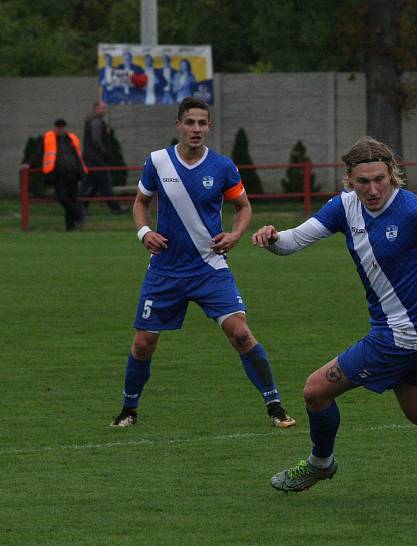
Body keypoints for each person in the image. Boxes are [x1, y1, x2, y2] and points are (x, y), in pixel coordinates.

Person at [252, 136, 417, 492]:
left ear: (393, 175)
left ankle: (320, 463)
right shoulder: (344, 207)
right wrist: (272, 238)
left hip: (403, 334)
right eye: (363, 181)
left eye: (379, 179)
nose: (372, 189)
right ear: (350, 181)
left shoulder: (415, 211)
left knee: (315, 391)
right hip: (401, 329)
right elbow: (293, 241)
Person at [110, 96, 296, 430]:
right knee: (143, 343)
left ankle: (276, 407)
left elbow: (243, 207)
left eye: (202, 123)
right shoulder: (158, 162)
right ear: (178, 125)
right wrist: (143, 232)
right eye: (190, 122)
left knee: (241, 334)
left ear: (209, 127)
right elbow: (140, 202)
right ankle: (128, 410)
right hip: (165, 269)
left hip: (209, 268)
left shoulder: (222, 167)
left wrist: (236, 234)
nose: (196, 129)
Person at [30, 118, 88, 231]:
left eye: (62, 127)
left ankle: (70, 226)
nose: (60, 129)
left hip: (73, 174)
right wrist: (29, 163)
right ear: (55, 127)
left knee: (72, 199)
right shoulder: (49, 138)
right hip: (58, 175)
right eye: (58, 127)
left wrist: (81, 171)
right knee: (63, 199)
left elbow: (78, 156)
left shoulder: (72, 138)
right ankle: (78, 215)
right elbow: (39, 151)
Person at [82, 101, 124, 215]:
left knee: (94, 185)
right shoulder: (96, 122)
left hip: (92, 159)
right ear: (96, 109)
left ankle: (81, 207)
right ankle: (115, 208)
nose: (104, 110)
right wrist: (104, 152)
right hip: (97, 159)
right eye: (102, 108)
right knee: (105, 183)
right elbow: (96, 140)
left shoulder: (92, 121)